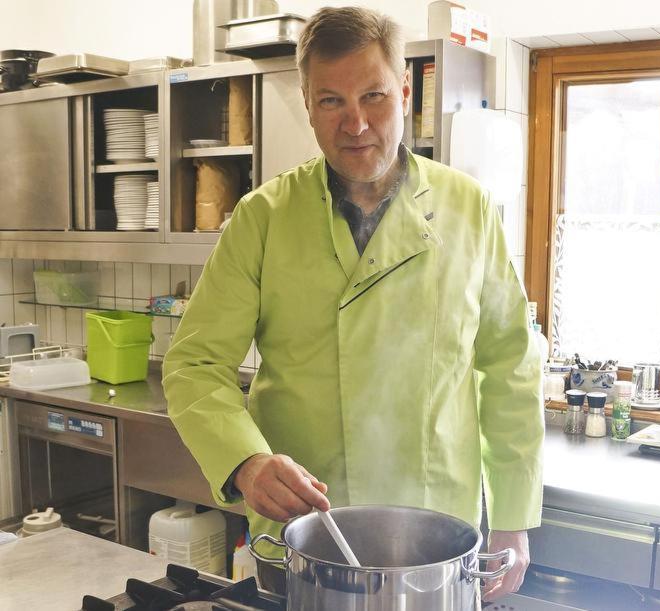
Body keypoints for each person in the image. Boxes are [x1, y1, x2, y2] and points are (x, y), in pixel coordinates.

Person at [163, 6, 544, 602]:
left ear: (405, 92)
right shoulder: (263, 218)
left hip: (432, 537)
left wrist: (515, 519)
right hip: (306, 536)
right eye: (331, 101)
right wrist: (246, 462)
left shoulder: (468, 209)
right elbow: (194, 365)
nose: (356, 124)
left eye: (374, 96)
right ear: (309, 107)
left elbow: (511, 368)